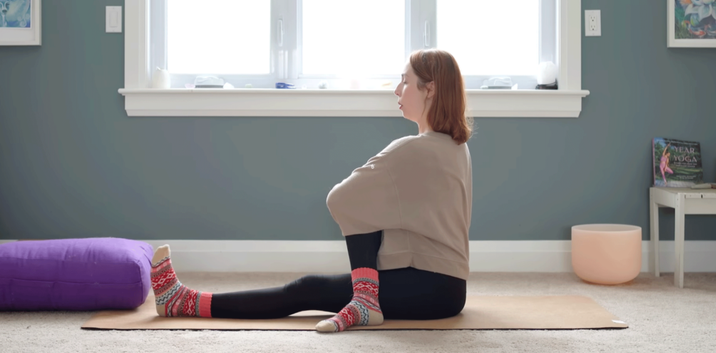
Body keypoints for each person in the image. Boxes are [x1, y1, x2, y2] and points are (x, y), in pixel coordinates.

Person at [150, 49, 474, 333]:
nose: (397, 89)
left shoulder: (411, 150)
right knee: (368, 211)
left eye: (405, 80)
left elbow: (340, 199)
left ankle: (184, 302)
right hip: (449, 288)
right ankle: (365, 297)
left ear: (429, 89)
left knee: (306, 289)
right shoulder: (457, 148)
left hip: (427, 286)